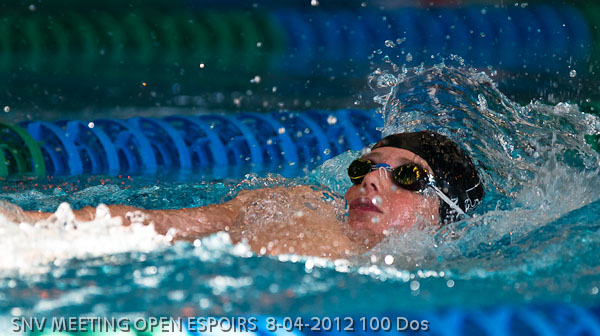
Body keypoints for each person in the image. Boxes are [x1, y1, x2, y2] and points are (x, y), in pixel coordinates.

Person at [14, 131, 484, 258]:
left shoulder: (437, 283)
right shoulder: (289, 205)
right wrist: (29, 224)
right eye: (365, 168)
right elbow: (159, 224)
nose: (371, 181)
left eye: (407, 176)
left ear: (446, 213)